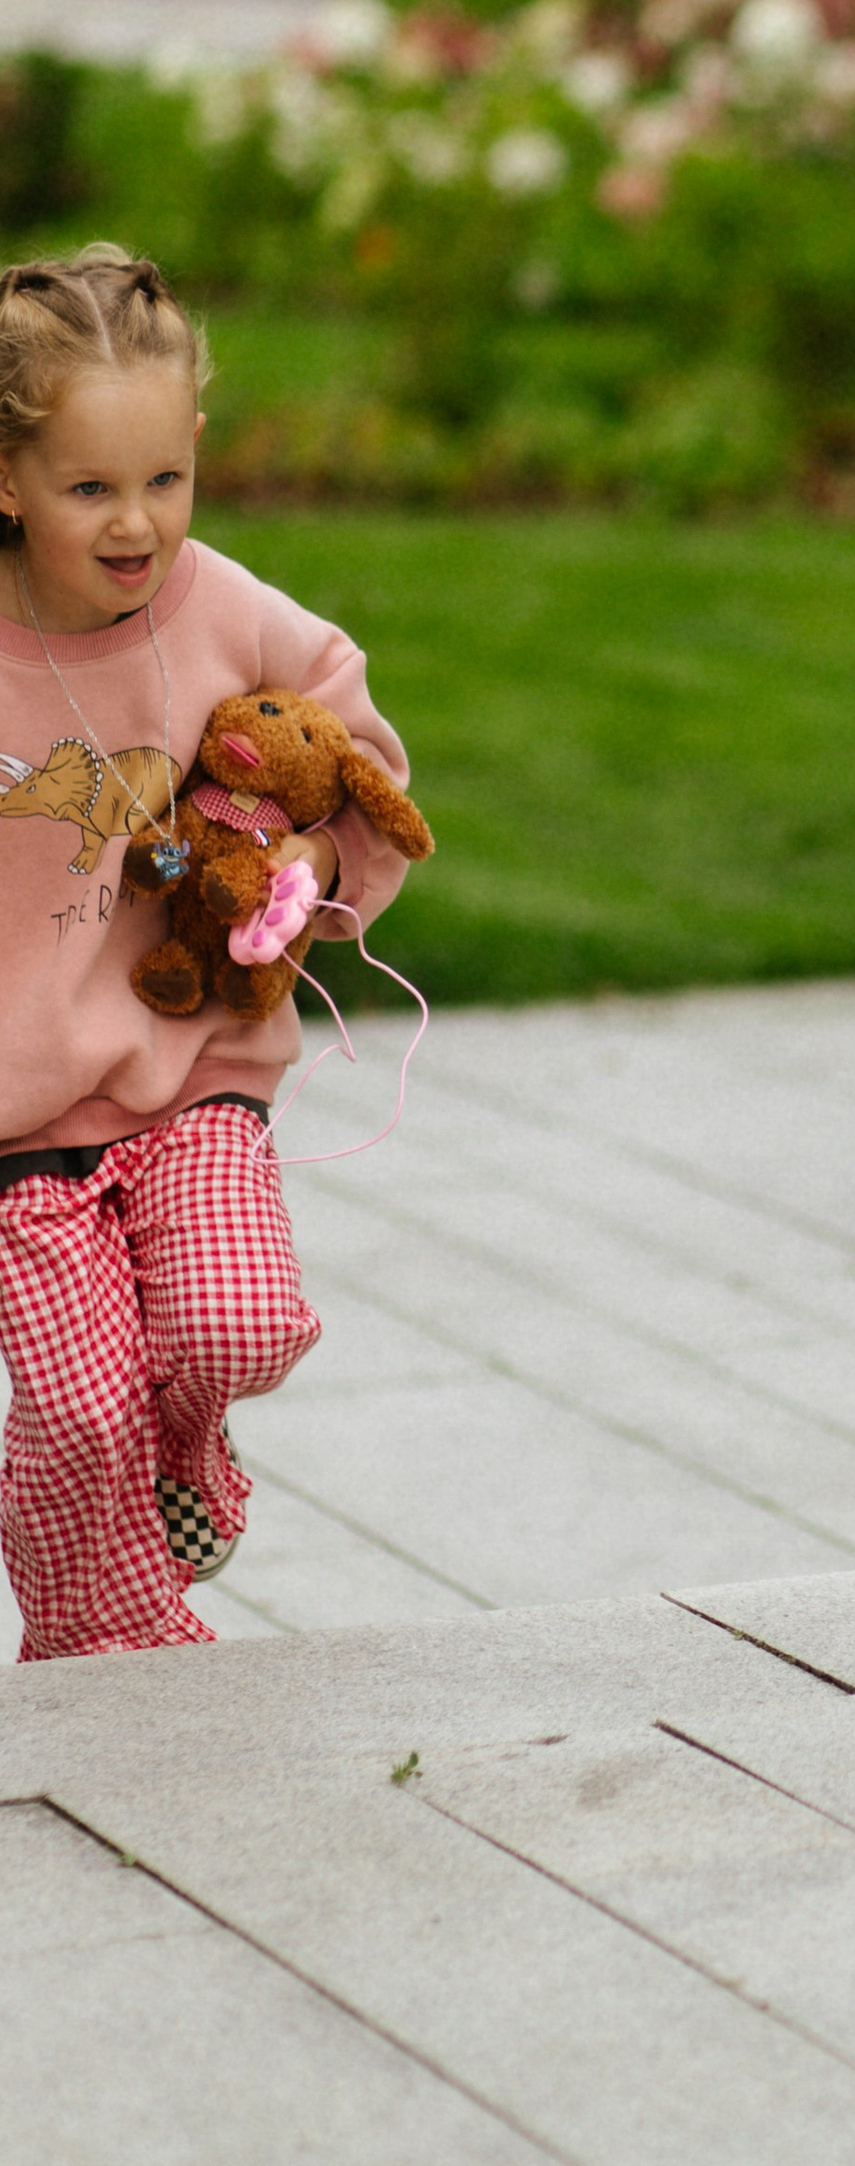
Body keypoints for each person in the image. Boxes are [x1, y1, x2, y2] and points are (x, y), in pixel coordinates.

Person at [0, 244, 417, 1660]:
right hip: (22, 1115)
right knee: (76, 1417)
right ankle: (98, 1647)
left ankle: (182, 1454)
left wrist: (317, 866)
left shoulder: (230, 610)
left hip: (194, 1069)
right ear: (7, 480)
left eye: (165, 480)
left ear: (194, 444)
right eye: (89, 491)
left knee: (235, 1328)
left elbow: (360, 761)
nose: (138, 525)